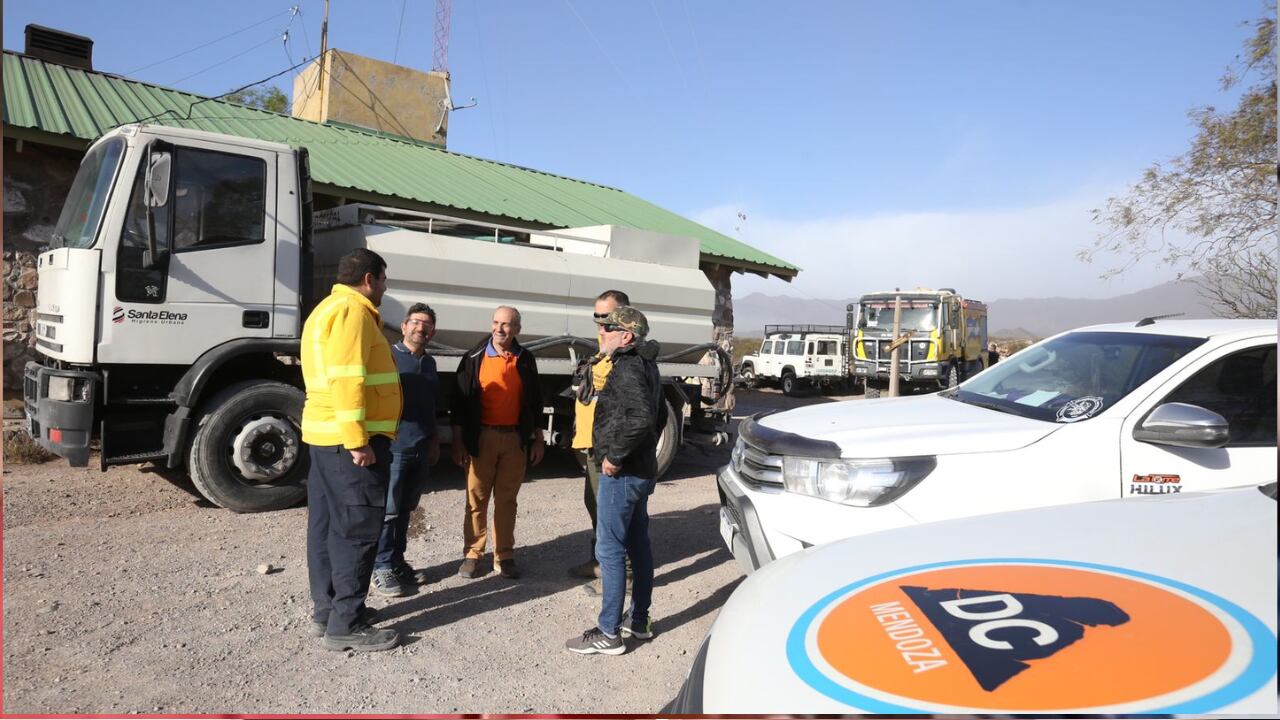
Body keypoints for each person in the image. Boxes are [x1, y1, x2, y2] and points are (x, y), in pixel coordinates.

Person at [301, 248, 403, 653]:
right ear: (369, 279)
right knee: (356, 529)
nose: (383, 287)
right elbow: (348, 379)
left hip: (326, 437)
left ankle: (328, 612)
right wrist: (357, 439)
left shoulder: (324, 309)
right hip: (349, 443)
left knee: (326, 526)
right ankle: (346, 623)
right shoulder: (352, 312)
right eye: (382, 279)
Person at [565, 306, 663, 656]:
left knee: (609, 551)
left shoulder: (627, 367)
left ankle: (608, 632)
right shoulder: (648, 365)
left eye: (608, 328)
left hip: (622, 473)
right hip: (640, 471)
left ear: (627, 336)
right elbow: (659, 414)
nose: (601, 333)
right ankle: (638, 622)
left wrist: (614, 456)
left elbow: (640, 418)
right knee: (638, 546)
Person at [451, 306, 545, 580]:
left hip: (515, 439)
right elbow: (458, 403)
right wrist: (458, 442)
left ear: (517, 329)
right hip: (482, 438)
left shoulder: (526, 359)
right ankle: (473, 554)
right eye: (496, 322)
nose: (499, 328)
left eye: (506, 324)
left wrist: (537, 438)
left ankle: (504, 556)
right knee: (476, 499)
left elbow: (536, 402)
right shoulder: (474, 357)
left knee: (507, 501)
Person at [371, 303, 441, 597]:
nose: (420, 328)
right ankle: (381, 566)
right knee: (388, 512)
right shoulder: (388, 358)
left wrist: (435, 440)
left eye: (426, 325)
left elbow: (431, 407)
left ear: (432, 331)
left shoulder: (430, 364)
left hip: (420, 447)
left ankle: (397, 561)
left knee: (405, 511)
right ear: (403, 326)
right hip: (394, 448)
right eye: (415, 322)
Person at [568, 289, 630, 580]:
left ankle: (622, 572)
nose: (601, 326)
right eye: (597, 318)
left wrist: (615, 452)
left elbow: (633, 413)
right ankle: (599, 561)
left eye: (607, 318)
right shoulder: (602, 353)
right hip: (591, 445)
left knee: (613, 514)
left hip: (607, 448)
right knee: (595, 505)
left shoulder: (625, 358)